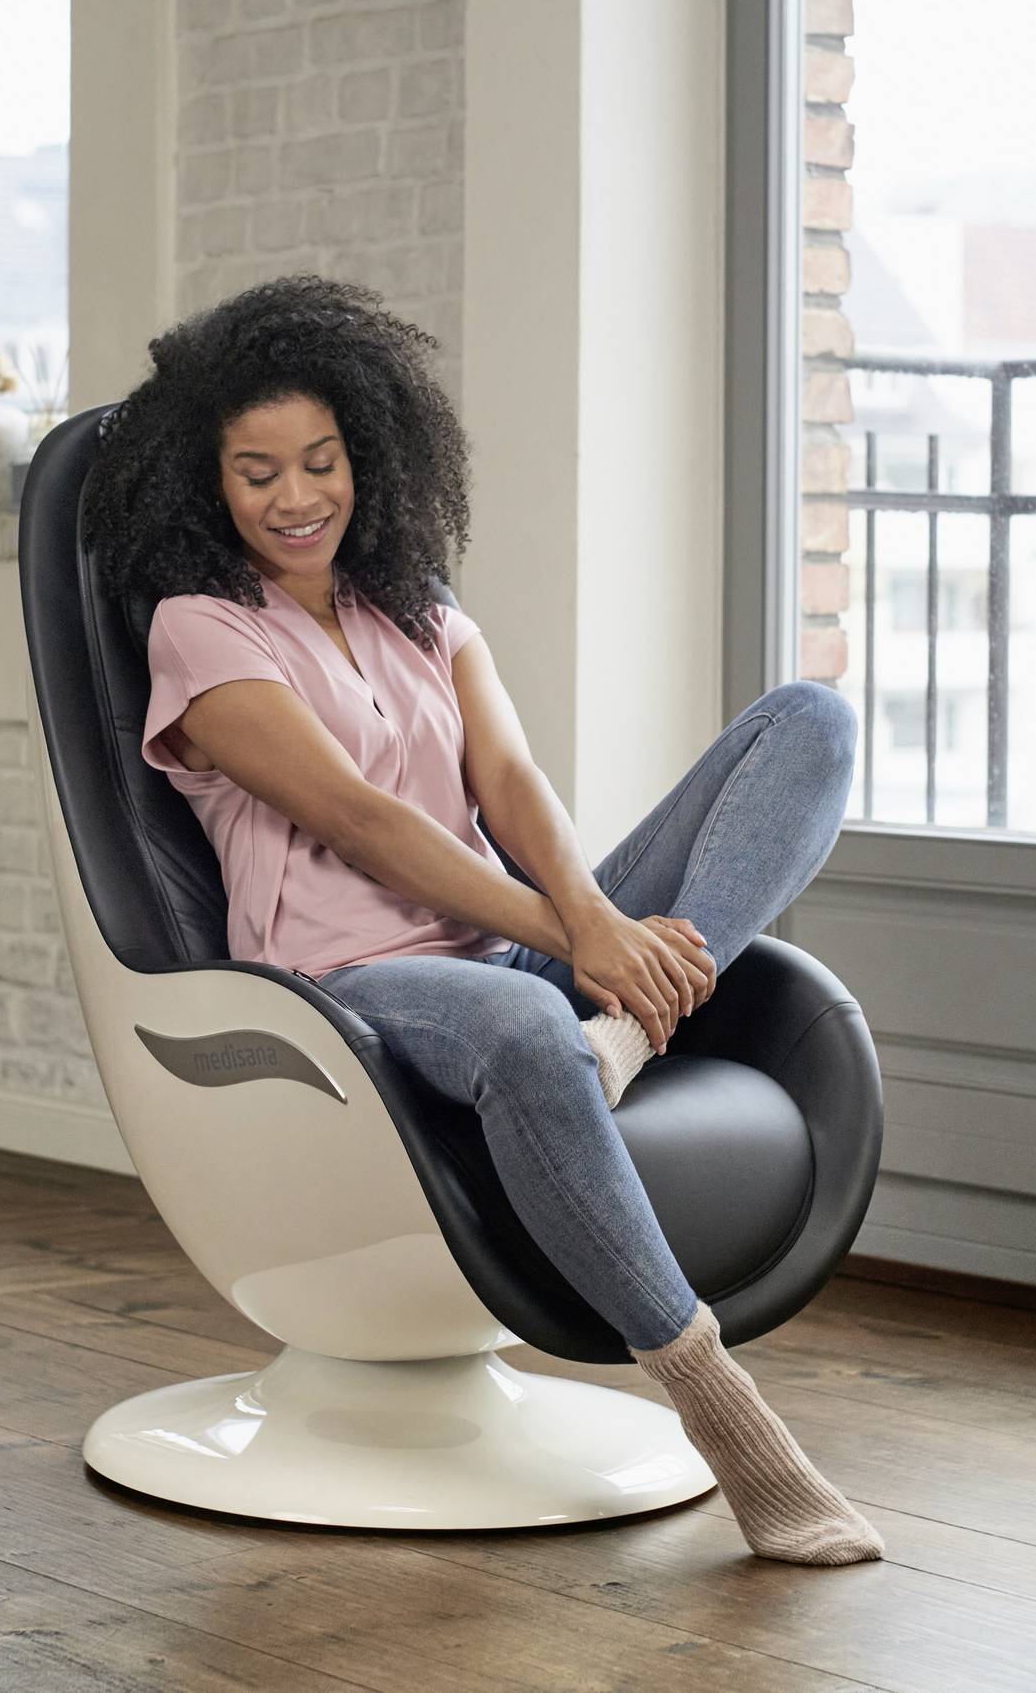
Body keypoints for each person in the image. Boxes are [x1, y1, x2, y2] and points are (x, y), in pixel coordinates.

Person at [76, 273, 883, 1566]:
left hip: (502, 946)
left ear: (370, 454)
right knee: (523, 1016)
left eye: (322, 460)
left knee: (811, 726)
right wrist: (580, 945)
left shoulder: (423, 611)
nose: (296, 497)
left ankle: (615, 1038)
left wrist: (598, 918)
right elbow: (366, 823)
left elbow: (509, 784)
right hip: (343, 985)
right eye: (256, 470)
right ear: (205, 484)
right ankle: (728, 1419)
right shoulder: (201, 630)